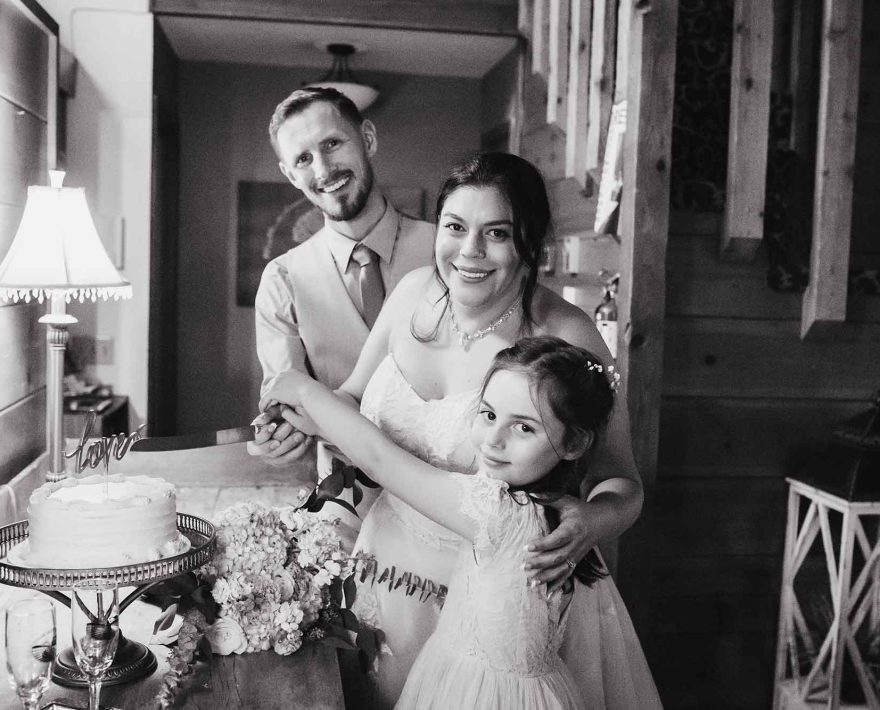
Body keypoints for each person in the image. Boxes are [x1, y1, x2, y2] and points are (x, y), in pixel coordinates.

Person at [253, 152, 647, 708]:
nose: (469, 251)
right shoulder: (412, 291)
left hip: (499, 598)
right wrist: (293, 426)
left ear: (530, 241)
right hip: (383, 568)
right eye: (456, 227)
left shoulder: (566, 336)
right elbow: (352, 400)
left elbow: (623, 480)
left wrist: (595, 517)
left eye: (497, 234)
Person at [262, 336, 660, 710]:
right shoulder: (558, 510)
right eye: (488, 414)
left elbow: (380, 459)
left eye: (524, 427)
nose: (493, 439)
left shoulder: (499, 512)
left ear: (574, 443)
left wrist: (305, 390)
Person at [251, 86, 434, 461]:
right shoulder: (281, 281)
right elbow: (286, 402)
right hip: (345, 497)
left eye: (332, 143)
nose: (323, 169)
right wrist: (281, 432)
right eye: (303, 158)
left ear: (367, 139)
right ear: (290, 175)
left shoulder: (447, 252)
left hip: (449, 487)